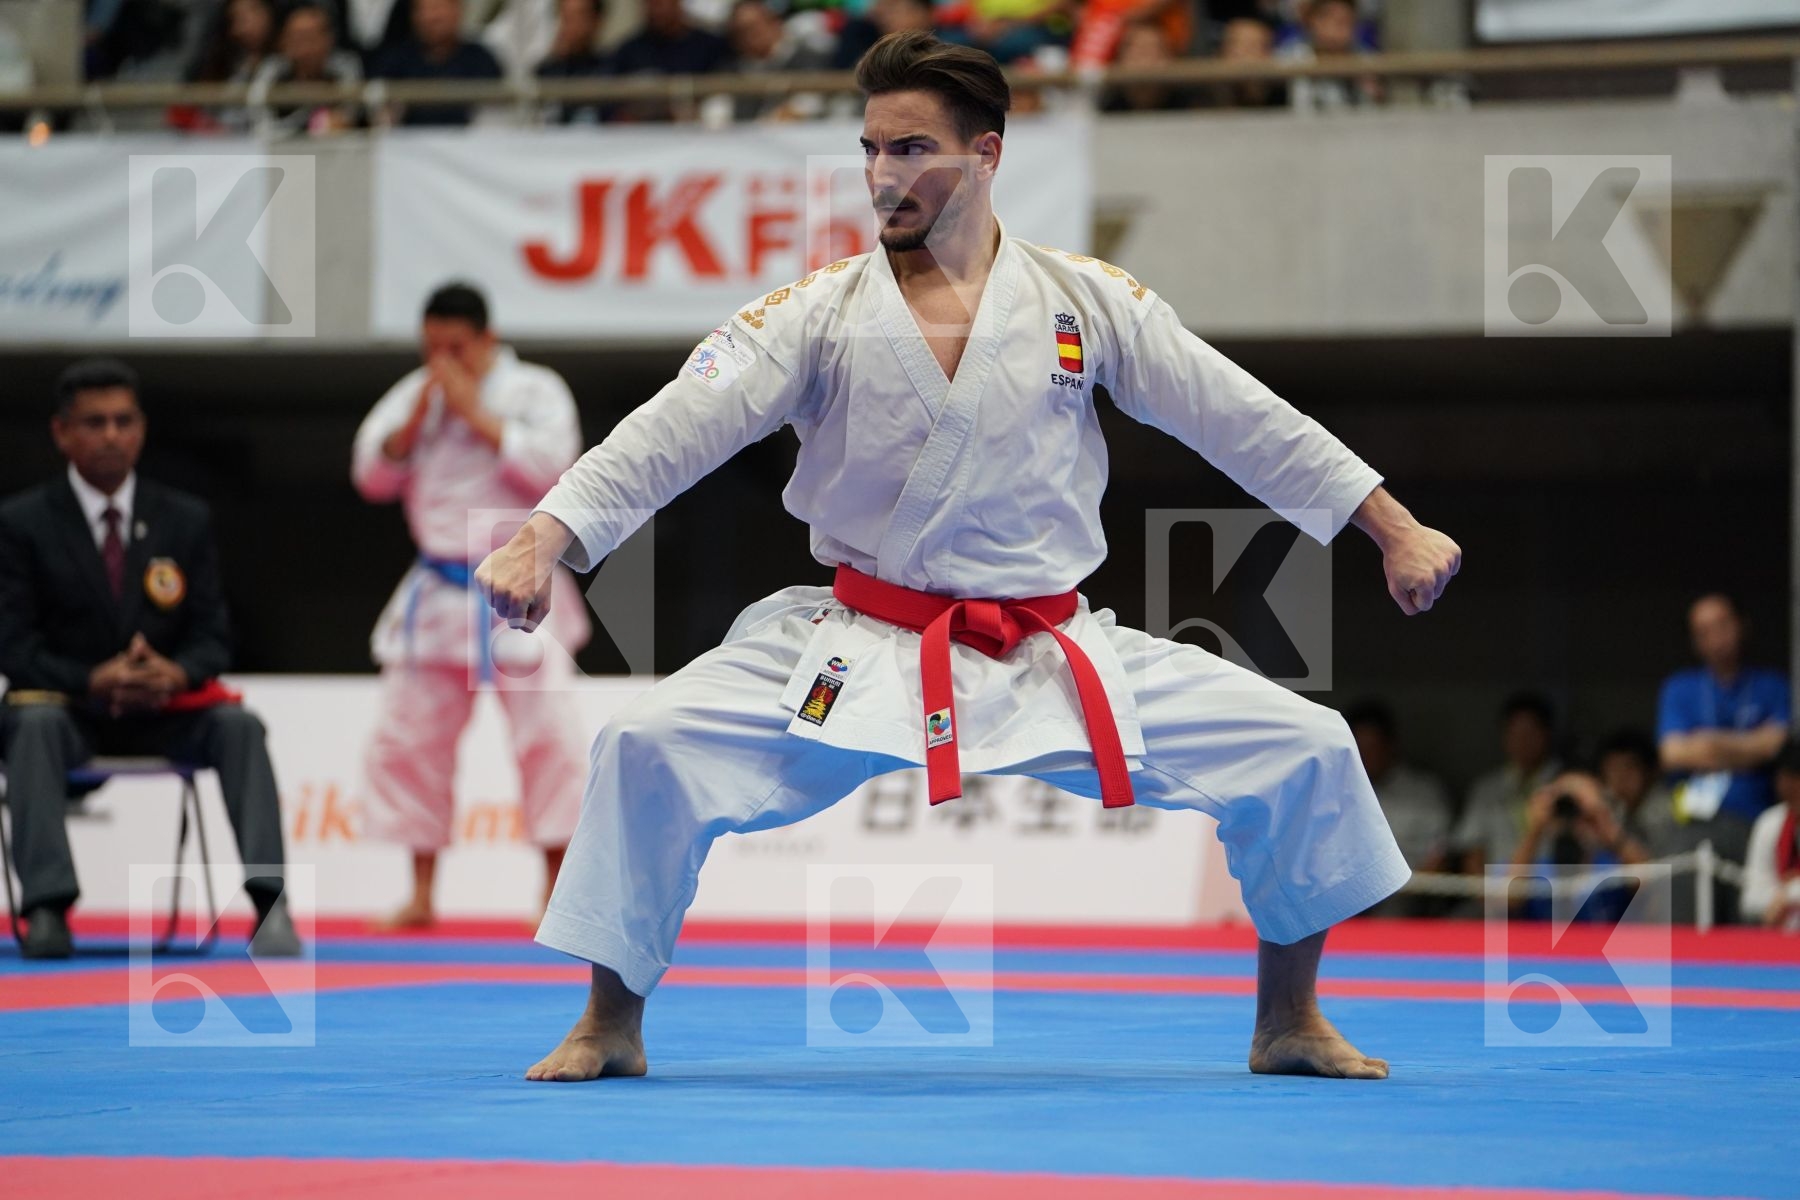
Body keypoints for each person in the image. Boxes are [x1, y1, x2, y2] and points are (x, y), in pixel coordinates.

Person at [476, 30, 1459, 1083]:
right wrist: (544, 538)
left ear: (986, 154)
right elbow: (671, 431)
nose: (880, 175)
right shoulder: (815, 314)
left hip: (1048, 647)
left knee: (1304, 745)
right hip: (858, 645)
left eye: (910, 150)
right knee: (645, 742)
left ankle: (1289, 1020)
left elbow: (1241, 418)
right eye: (870, 149)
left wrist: (1391, 525)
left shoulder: (1086, 301)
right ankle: (609, 1022)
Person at [0, 360, 298, 960]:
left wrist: (176, 672)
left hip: (167, 711)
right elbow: (14, 646)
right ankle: (47, 907)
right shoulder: (22, 523)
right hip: (70, 713)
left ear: (141, 428)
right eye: (95, 423)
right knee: (31, 725)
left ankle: (271, 905)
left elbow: (214, 636)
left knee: (239, 727)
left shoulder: (183, 519)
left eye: (124, 421)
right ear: (62, 432)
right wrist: (92, 678)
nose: (112, 435)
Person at [351, 283, 589, 931]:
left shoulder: (534, 390)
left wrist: (475, 413)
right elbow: (371, 477)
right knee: (411, 741)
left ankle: (554, 894)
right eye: (432, 348)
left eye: (456, 347)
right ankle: (420, 893)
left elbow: (559, 469)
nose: (443, 361)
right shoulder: (413, 395)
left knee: (549, 742)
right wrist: (413, 425)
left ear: (488, 338)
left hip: (521, 586)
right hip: (437, 588)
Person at [1658, 593, 1789, 923]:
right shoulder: (1681, 687)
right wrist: (1749, 747)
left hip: (1752, 821)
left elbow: (1777, 746)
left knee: (1749, 923)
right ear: (1694, 641)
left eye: (1722, 626)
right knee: (1686, 927)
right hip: (1691, 824)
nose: (1715, 638)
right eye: (1703, 631)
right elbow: (1672, 754)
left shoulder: (1772, 685)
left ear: (1742, 626)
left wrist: (1706, 744)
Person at [1344, 700, 1450, 915]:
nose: (1365, 756)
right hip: (1347, 892)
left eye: (1372, 748)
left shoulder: (1424, 792)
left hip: (1407, 892)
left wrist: (1412, 888)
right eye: (1359, 748)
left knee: (1393, 911)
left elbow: (1439, 856)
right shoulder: (1336, 791)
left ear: (1390, 745)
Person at [1454, 693, 1561, 875]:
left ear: (1547, 734)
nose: (1523, 741)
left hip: (1556, 886)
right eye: (1515, 733)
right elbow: (1472, 852)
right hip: (1497, 885)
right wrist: (1488, 892)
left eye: (1530, 733)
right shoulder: (1486, 789)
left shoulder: (1567, 784)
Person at [370, 0, 503, 127]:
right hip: (407, 140)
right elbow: (379, 114)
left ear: (458, 10)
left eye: (438, 8)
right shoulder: (396, 61)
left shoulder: (481, 60)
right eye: (423, 9)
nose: (432, 17)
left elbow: (495, 117)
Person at [249, 2, 364, 133]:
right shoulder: (273, 69)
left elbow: (349, 114)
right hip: (280, 142)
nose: (304, 48)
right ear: (284, 40)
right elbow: (258, 116)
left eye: (310, 38)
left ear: (329, 39)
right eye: (296, 38)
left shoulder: (344, 66)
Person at [1740, 737, 1800, 931]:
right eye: (1785, 776)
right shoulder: (1771, 823)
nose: (1790, 786)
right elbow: (1751, 899)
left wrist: (1790, 893)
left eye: (1796, 777)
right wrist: (1782, 897)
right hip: (1785, 935)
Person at [535, 0, 612, 124]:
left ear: (596, 20)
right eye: (565, 17)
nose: (569, 25)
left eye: (577, 17)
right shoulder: (547, 70)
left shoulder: (611, 68)